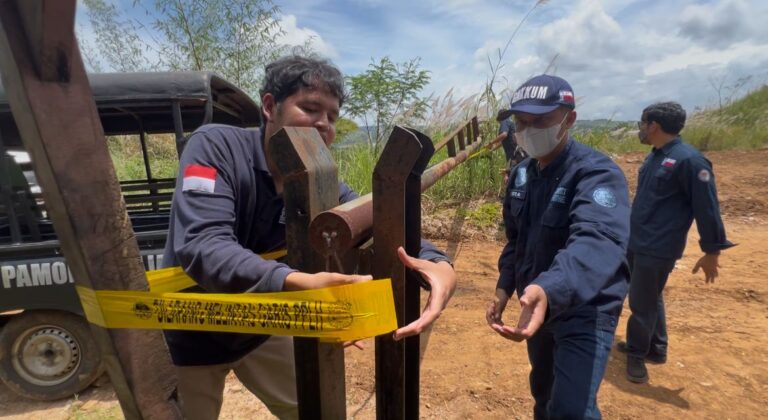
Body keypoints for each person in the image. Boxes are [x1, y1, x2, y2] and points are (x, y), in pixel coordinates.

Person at [161, 55, 457, 420]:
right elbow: (203, 246)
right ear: (269, 106)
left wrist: (436, 262)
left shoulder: (319, 177)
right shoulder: (215, 147)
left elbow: (373, 222)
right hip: (192, 330)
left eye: (332, 116)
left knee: (316, 410)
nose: (323, 124)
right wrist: (298, 282)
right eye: (310, 108)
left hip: (263, 325)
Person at [485, 74, 630, 419]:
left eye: (540, 121)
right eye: (521, 122)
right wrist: (504, 287)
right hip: (538, 303)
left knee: (571, 409)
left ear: (569, 119)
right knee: (543, 392)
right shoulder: (522, 174)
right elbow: (517, 240)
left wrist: (549, 288)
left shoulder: (595, 174)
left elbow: (597, 239)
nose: (527, 130)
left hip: (586, 307)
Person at [619, 102, 734, 384]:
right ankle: (656, 348)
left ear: (654, 126)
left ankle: (636, 354)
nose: (641, 128)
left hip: (658, 246)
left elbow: (707, 208)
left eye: (643, 123)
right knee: (650, 296)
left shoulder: (691, 161)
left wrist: (712, 251)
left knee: (641, 302)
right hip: (639, 240)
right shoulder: (657, 155)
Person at [496, 111, 526, 184]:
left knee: (516, 177)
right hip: (514, 155)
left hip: (512, 155)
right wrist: (493, 148)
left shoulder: (504, 121)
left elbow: (504, 134)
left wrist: (491, 142)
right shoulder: (511, 122)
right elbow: (503, 141)